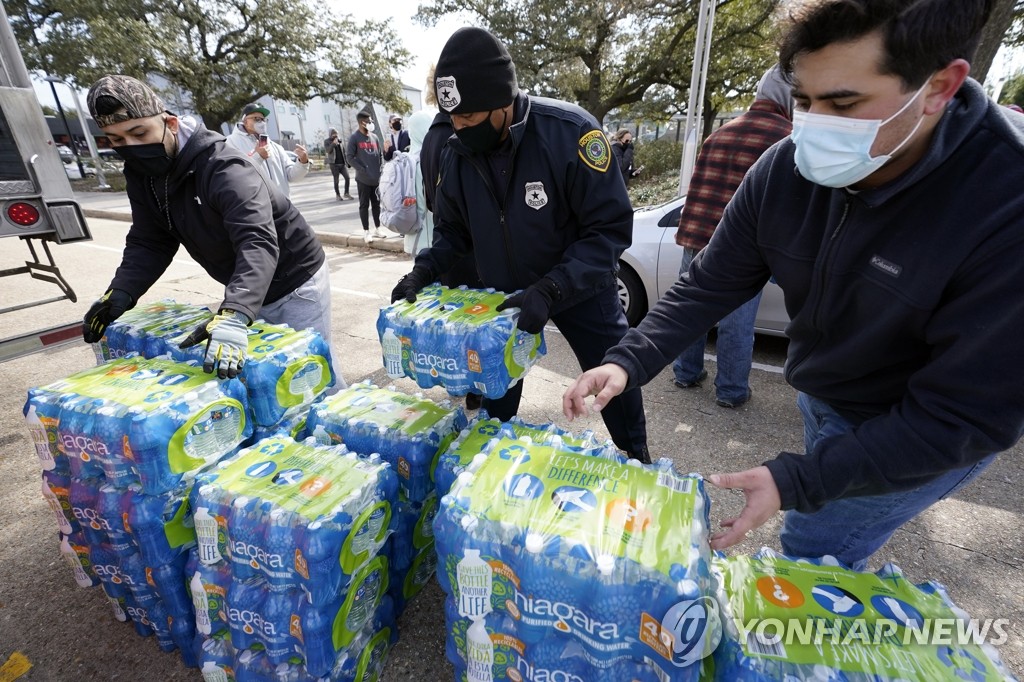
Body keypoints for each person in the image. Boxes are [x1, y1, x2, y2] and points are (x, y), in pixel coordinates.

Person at [564, 0, 1020, 570]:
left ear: (939, 87)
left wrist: (796, 480)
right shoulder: (785, 167)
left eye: (843, 102)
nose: (815, 125)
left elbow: (962, 417)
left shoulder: (1004, 203)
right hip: (823, 390)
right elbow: (708, 284)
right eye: (803, 100)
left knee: (811, 548)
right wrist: (627, 361)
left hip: (913, 425)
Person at [392, 27, 649, 462]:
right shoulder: (458, 152)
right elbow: (454, 232)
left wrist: (553, 287)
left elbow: (608, 228)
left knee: (613, 383)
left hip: (582, 290)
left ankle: (638, 456)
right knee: (496, 398)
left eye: (469, 118)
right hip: (507, 300)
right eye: (452, 118)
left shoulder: (570, 134)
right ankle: (493, 467)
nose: (458, 128)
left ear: (502, 102)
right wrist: (424, 269)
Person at [82, 75, 340, 386]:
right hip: (245, 284)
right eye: (117, 140)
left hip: (293, 280)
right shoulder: (144, 174)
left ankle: (333, 428)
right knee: (265, 380)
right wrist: (121, 291)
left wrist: (236, 311)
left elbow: (255, 239)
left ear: (171, 124)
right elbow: (150, 240)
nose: (132, 147)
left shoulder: (222, 165)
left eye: (139, 133)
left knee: (308, 374)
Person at [672, 65, 794, 408]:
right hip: (742, 246)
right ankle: (730, 391)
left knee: (691, 309)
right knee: (736, 322)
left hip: (697, 235)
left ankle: (686, 372)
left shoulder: (721, 133)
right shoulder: (788, 138)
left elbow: (695, 191)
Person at [224, 102, 310, 197]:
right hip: (256, 207)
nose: (261, 122)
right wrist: (258, 157)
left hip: (282, 206)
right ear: (245, 122)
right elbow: (237, 176)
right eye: (256, 119)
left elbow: (293, 176)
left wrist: (302, 162)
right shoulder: (231, 143)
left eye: (263, 119)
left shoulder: (275, 147)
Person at [346, 111, 388, 244]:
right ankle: (366, 231)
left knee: (376, 205)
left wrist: (381, 168)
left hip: (376, 179)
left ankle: (377, 228)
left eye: (371, 121)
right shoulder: (354, 138)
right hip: (363, 180)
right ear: (361, 122)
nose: (371, 123)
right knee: (364, 205)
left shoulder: (374, 137)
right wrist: (362, 169)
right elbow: (349, 157)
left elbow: (380, 154)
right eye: (368, 121)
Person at [324, 128, 353, 201]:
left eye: (336, 133)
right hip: (334, 164)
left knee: (347, 178)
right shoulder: (327, 141)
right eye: (334, 134)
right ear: (330, 134)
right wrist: (333, 143)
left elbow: (344, 153)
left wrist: (347, 162)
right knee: (336, 180)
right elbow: (328, 151)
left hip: (342, 164)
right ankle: (338, 195)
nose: (335, 135)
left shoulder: (340, 141)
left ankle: (346, 193)